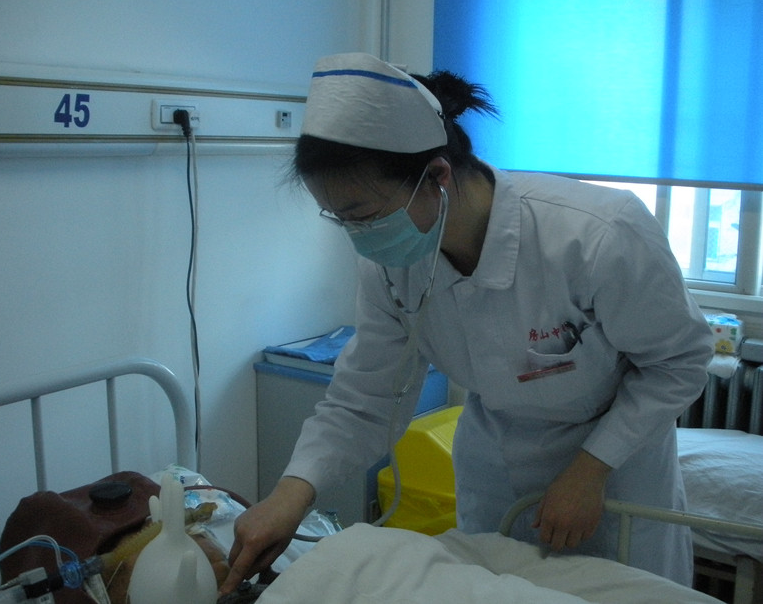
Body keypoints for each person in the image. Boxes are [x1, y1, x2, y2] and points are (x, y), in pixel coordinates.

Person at [219, 52, 714, 595]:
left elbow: (679, 362)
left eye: (364, 215)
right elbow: (367, 398)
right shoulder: (392, 267)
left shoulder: (595, 234)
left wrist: (592, 468)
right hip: (497, 476)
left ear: (437, 176)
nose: (359, 237)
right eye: (340, 219)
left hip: (616, 475)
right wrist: (291, 495)